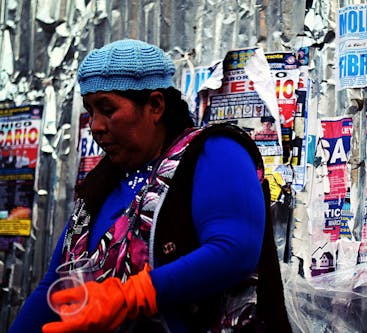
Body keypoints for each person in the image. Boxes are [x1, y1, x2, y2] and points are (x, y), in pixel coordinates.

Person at [8, 39, 291, 333]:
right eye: (91, 111)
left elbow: (235, 250)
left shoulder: (213, 152)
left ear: (155, 105)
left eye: (107, 109)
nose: (96, 126)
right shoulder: (101, 184)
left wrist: (131, 296)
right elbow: (52, 287)